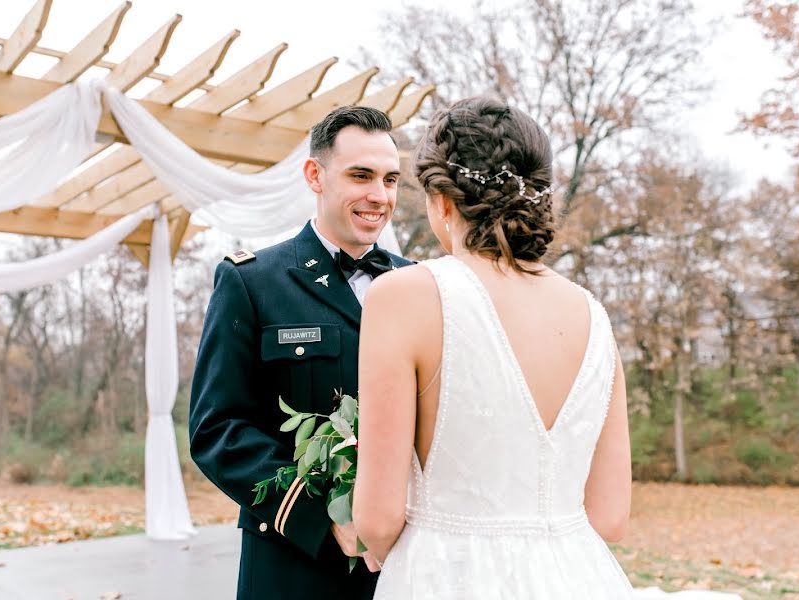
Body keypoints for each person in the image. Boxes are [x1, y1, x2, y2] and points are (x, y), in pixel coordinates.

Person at [352, 96, 636, 598]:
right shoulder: (592, 313)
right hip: (580, 577)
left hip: (447, 576)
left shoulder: (404, 295)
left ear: (442, 201)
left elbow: (377, 519)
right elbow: (610, 517)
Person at [189, 105, 414, 600]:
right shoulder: (251, 282)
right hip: (294, 563)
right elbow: (217, 429)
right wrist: (325, 517)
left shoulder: (422, 284)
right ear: (315, 174)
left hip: (408, 561)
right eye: (361, 176)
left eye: (391, 179)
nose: (379, 196)